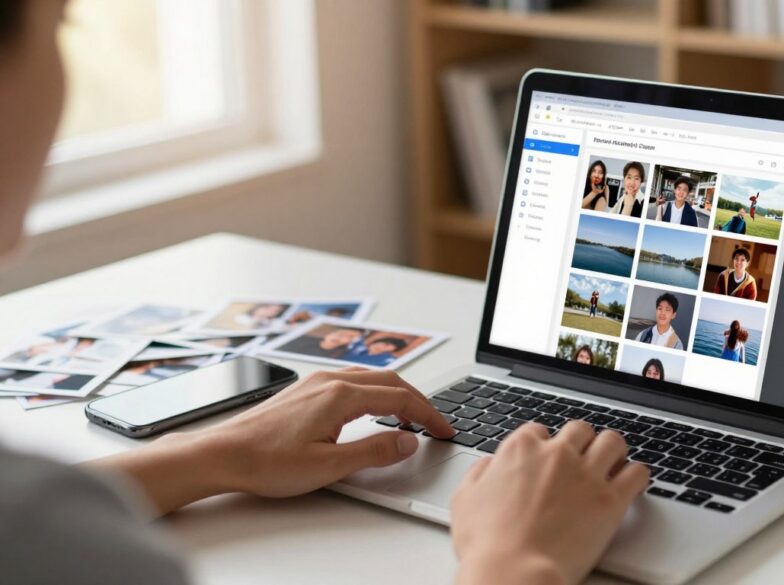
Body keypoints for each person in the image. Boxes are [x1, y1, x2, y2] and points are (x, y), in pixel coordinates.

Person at [0, 3, 649, 583]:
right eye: (61, 22)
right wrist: (519, 558)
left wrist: (213, 454)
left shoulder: (36, 514)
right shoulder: (52, 540)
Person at [278, 326, 365, 360]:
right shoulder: (299, 340)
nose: (341, 337)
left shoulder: (339, 357)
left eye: (350, 337)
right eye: (340, 333)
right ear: (331, 333)